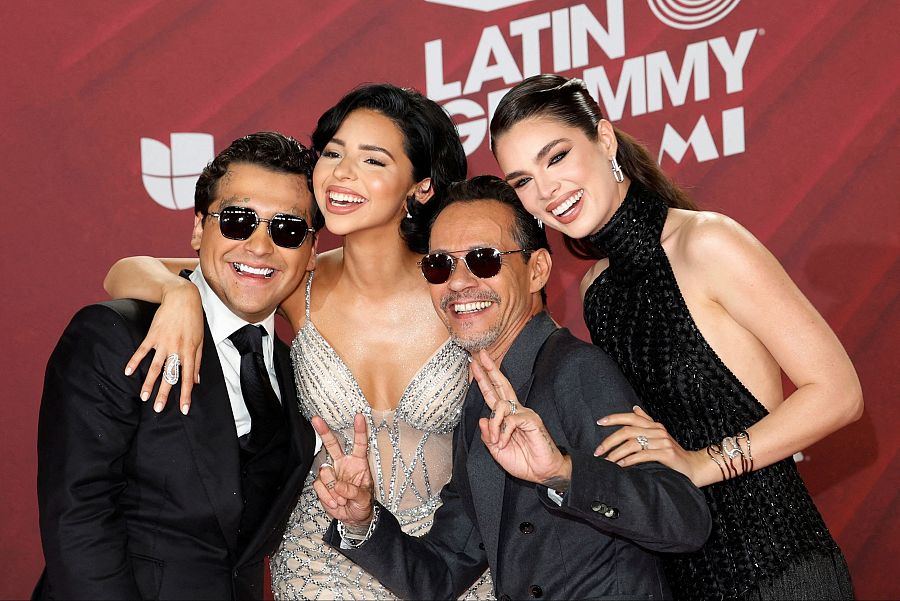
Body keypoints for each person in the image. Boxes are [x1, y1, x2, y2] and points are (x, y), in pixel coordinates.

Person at [102, 84, 494, 599]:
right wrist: (177, 295)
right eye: (333, 153)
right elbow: (126, 273)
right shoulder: (294, 281)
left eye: (371, 160)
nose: (341, 174)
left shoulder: (461, 284)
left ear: (421, 186)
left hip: (446, 560)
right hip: (320, 559)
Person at [488, 74, 864, 600]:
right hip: (681, 579)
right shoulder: (598, 289)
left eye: (556, 157)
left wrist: (698, 463)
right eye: (522, 181)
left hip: (781, 568)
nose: (545, 191)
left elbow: (839, 394)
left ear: (604, 139)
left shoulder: (707, 242)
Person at [312, 175, 712, 600]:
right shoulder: (479, 403)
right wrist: (361, 523)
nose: (458, 282)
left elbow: (685, 521)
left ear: (537, 270)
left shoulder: (577, 371)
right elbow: (445, 569)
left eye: (483, 260)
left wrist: (563, 472)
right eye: (439, 265)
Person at [35, 132, 319, 600]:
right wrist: (177, 290)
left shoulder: (295, 370)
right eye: (237, 220)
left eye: (287, 229)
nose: (260, 246)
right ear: (197, 230)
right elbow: (78, 516)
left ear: (310, 253)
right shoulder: (115, 335)